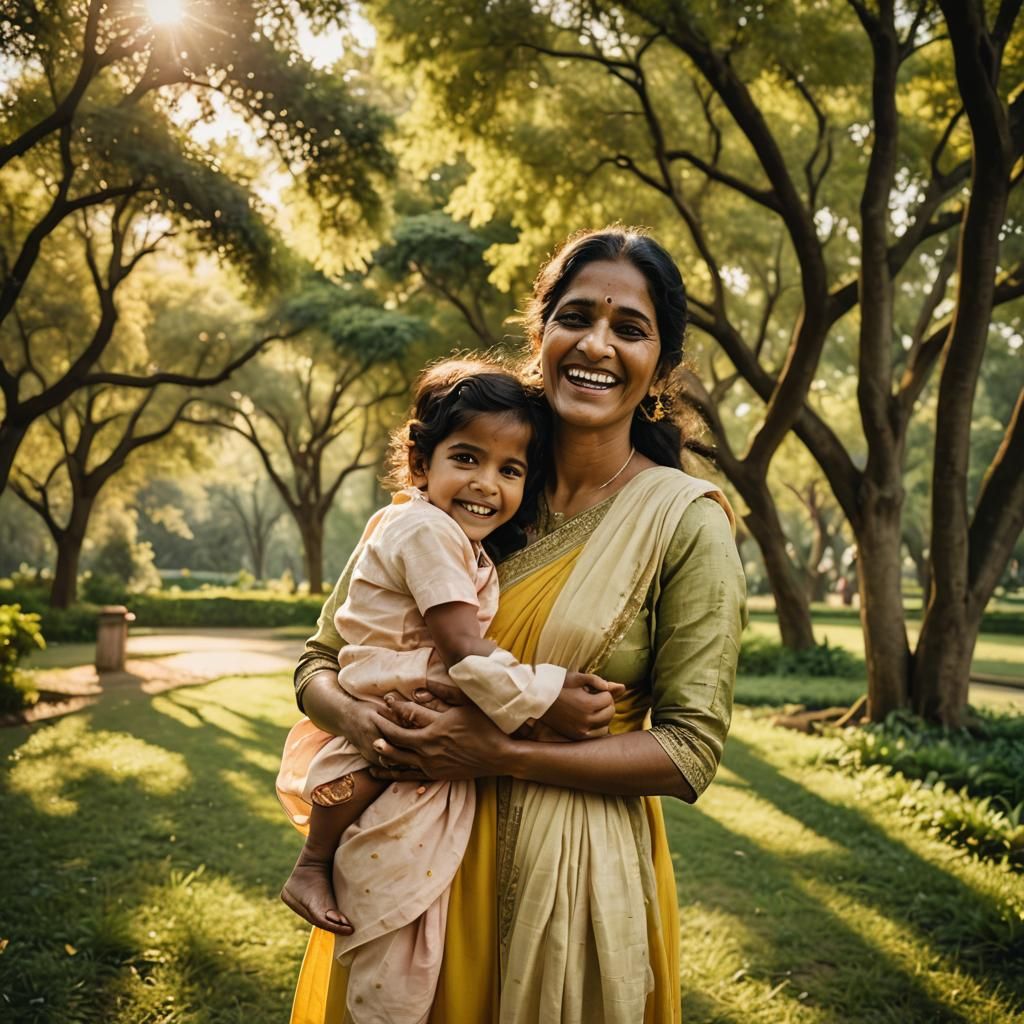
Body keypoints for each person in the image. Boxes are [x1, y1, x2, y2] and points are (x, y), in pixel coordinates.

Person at [289, 227, 747, 1024]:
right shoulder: (465, 492)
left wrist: (499, 751)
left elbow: (690, 753)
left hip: (570, 884)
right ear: (542, 335)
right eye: (576, 316)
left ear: (660, 366)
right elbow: (317, 662)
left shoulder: (682, 522)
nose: (597, 344)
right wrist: (376, 730)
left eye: (629, 328)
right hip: (406, 853)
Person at [276, 360, 623, 1023]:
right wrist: (548, 694)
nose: (485, 484)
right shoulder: (428, 531)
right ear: (418, 457)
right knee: (392, 915)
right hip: (391, 701)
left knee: (406, 910)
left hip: (413, 715)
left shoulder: (454, 536)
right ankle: (314, 868)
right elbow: (464, 646)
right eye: (466, 457)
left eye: (509, 469)